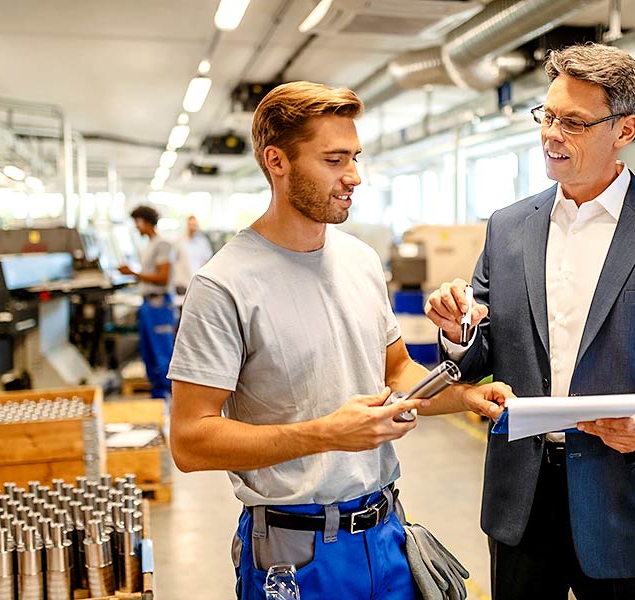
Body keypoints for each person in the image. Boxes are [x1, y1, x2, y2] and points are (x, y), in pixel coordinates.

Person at [166, 81, 512, 600]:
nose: (353, 176)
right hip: (295, 555)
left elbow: (396, 372)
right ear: (276, 161)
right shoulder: (223, 284)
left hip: (388, 533)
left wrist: (465, 397)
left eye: (354, 157)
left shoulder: (360, 261)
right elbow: (190, 441)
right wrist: (327, 433)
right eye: (333, 160)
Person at [424, 43, 635, 599]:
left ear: (624, 129)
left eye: (573, 121)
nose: (550, 134)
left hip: (629, 504)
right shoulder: (509, 226)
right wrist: (457, 329)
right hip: (522, 499)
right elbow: (483, 348)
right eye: (546, 115)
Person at [118, 205, 177, 400]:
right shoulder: (150, 245)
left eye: (138, 223)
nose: (137, 227)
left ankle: (168, 400)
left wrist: (134, 273)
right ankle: (157, 399)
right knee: (149, 355)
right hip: (148, 305)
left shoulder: (162, 244)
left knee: (162, 354)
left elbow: (163, 278)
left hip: (159, 305)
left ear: (146, 221)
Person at [173, 215, 213, 294]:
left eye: (194, 225)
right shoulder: (178, 242)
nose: (192, 228)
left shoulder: (203, 242)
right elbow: (172, 261)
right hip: (182, 285)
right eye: (190, 225)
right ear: (187, 226)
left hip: (198, 284)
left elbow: (207, 262)